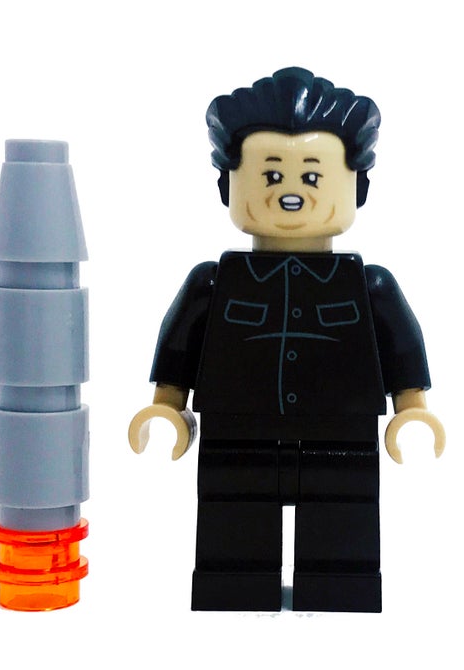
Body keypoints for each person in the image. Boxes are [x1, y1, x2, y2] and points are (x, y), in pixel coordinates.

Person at [129, 67, 445, 612]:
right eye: (271, 176)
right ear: (228, 187)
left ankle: (339, 586)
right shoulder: (212, 283)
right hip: (235, 435)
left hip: (342, 436)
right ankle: (235, 585)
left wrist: (411, 411)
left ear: (357, 189)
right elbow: (180, 348)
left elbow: (401, 350)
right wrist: (167, 407)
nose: (291, 194)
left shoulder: (370, 285)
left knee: (342, 525)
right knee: (233, 524)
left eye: (313, 177)